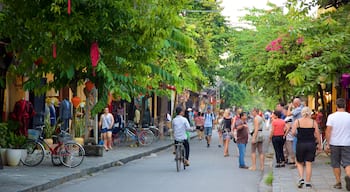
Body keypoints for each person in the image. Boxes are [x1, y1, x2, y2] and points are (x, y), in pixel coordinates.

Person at [291, 107, 321, 189]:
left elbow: (293, 132)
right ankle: (308, 182)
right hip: (311, 144)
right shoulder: (313, 122)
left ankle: (301, 178)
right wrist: (319, 144)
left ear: (302, 113)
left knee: (299, 162)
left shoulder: (297, 121)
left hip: (300, 143)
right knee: (309, 163)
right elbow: (317, 133)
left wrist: (298, 135)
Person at [325, 98, 350, 190]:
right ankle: (349, 176)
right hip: (347, 143)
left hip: (334, 143)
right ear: (345, 106)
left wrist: (327, 143)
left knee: (335, 163)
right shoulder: (349, 116)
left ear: (336, 106)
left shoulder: (332, 117)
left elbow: (328, 131)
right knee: (348, 162)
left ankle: (338, 182)